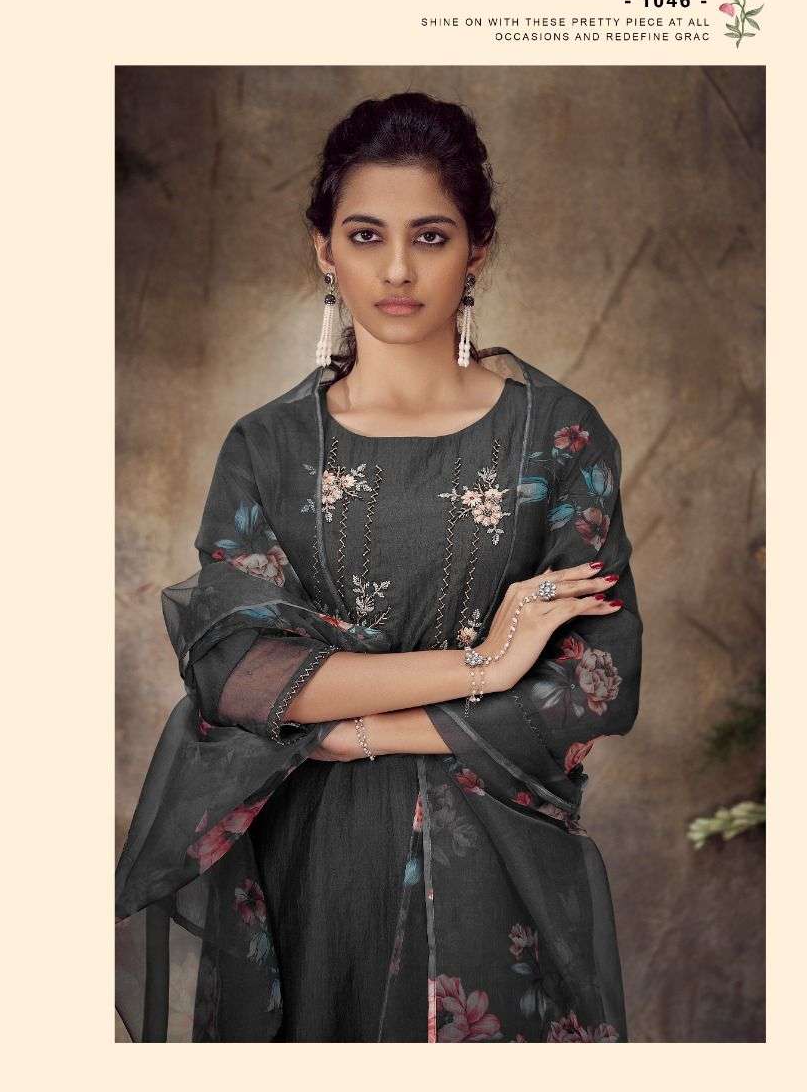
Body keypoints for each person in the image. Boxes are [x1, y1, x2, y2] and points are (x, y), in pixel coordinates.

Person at [115, 91, 644, 1043]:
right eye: (366, 236)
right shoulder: (270, 448)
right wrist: (486, 663)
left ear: (477, 249)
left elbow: (593, 685)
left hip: (502, 870)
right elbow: (238, 674)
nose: (397, 270)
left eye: (430, 237)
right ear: (325, 249)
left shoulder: (558, 437)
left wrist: (358, 730)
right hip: (310, 872)